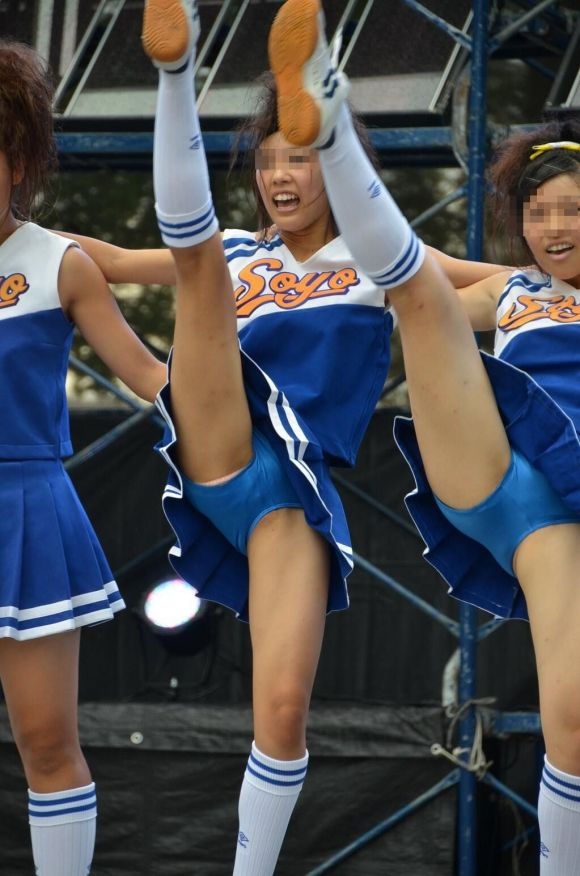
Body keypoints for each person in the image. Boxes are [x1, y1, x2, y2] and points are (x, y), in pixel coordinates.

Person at [268, 0, 580, 872]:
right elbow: (401, 267)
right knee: (416, 296)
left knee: (571, 719)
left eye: (571, 211)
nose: (553, 229)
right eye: (538, 213)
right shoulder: (512, 291)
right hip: (499, 479)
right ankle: (331, 117)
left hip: (567, 516)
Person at [0, 38, 166, 876]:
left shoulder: (56, 261)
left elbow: (151, 377)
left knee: (46, 740)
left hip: (26, 511)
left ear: (20, 159)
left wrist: (250, 416)